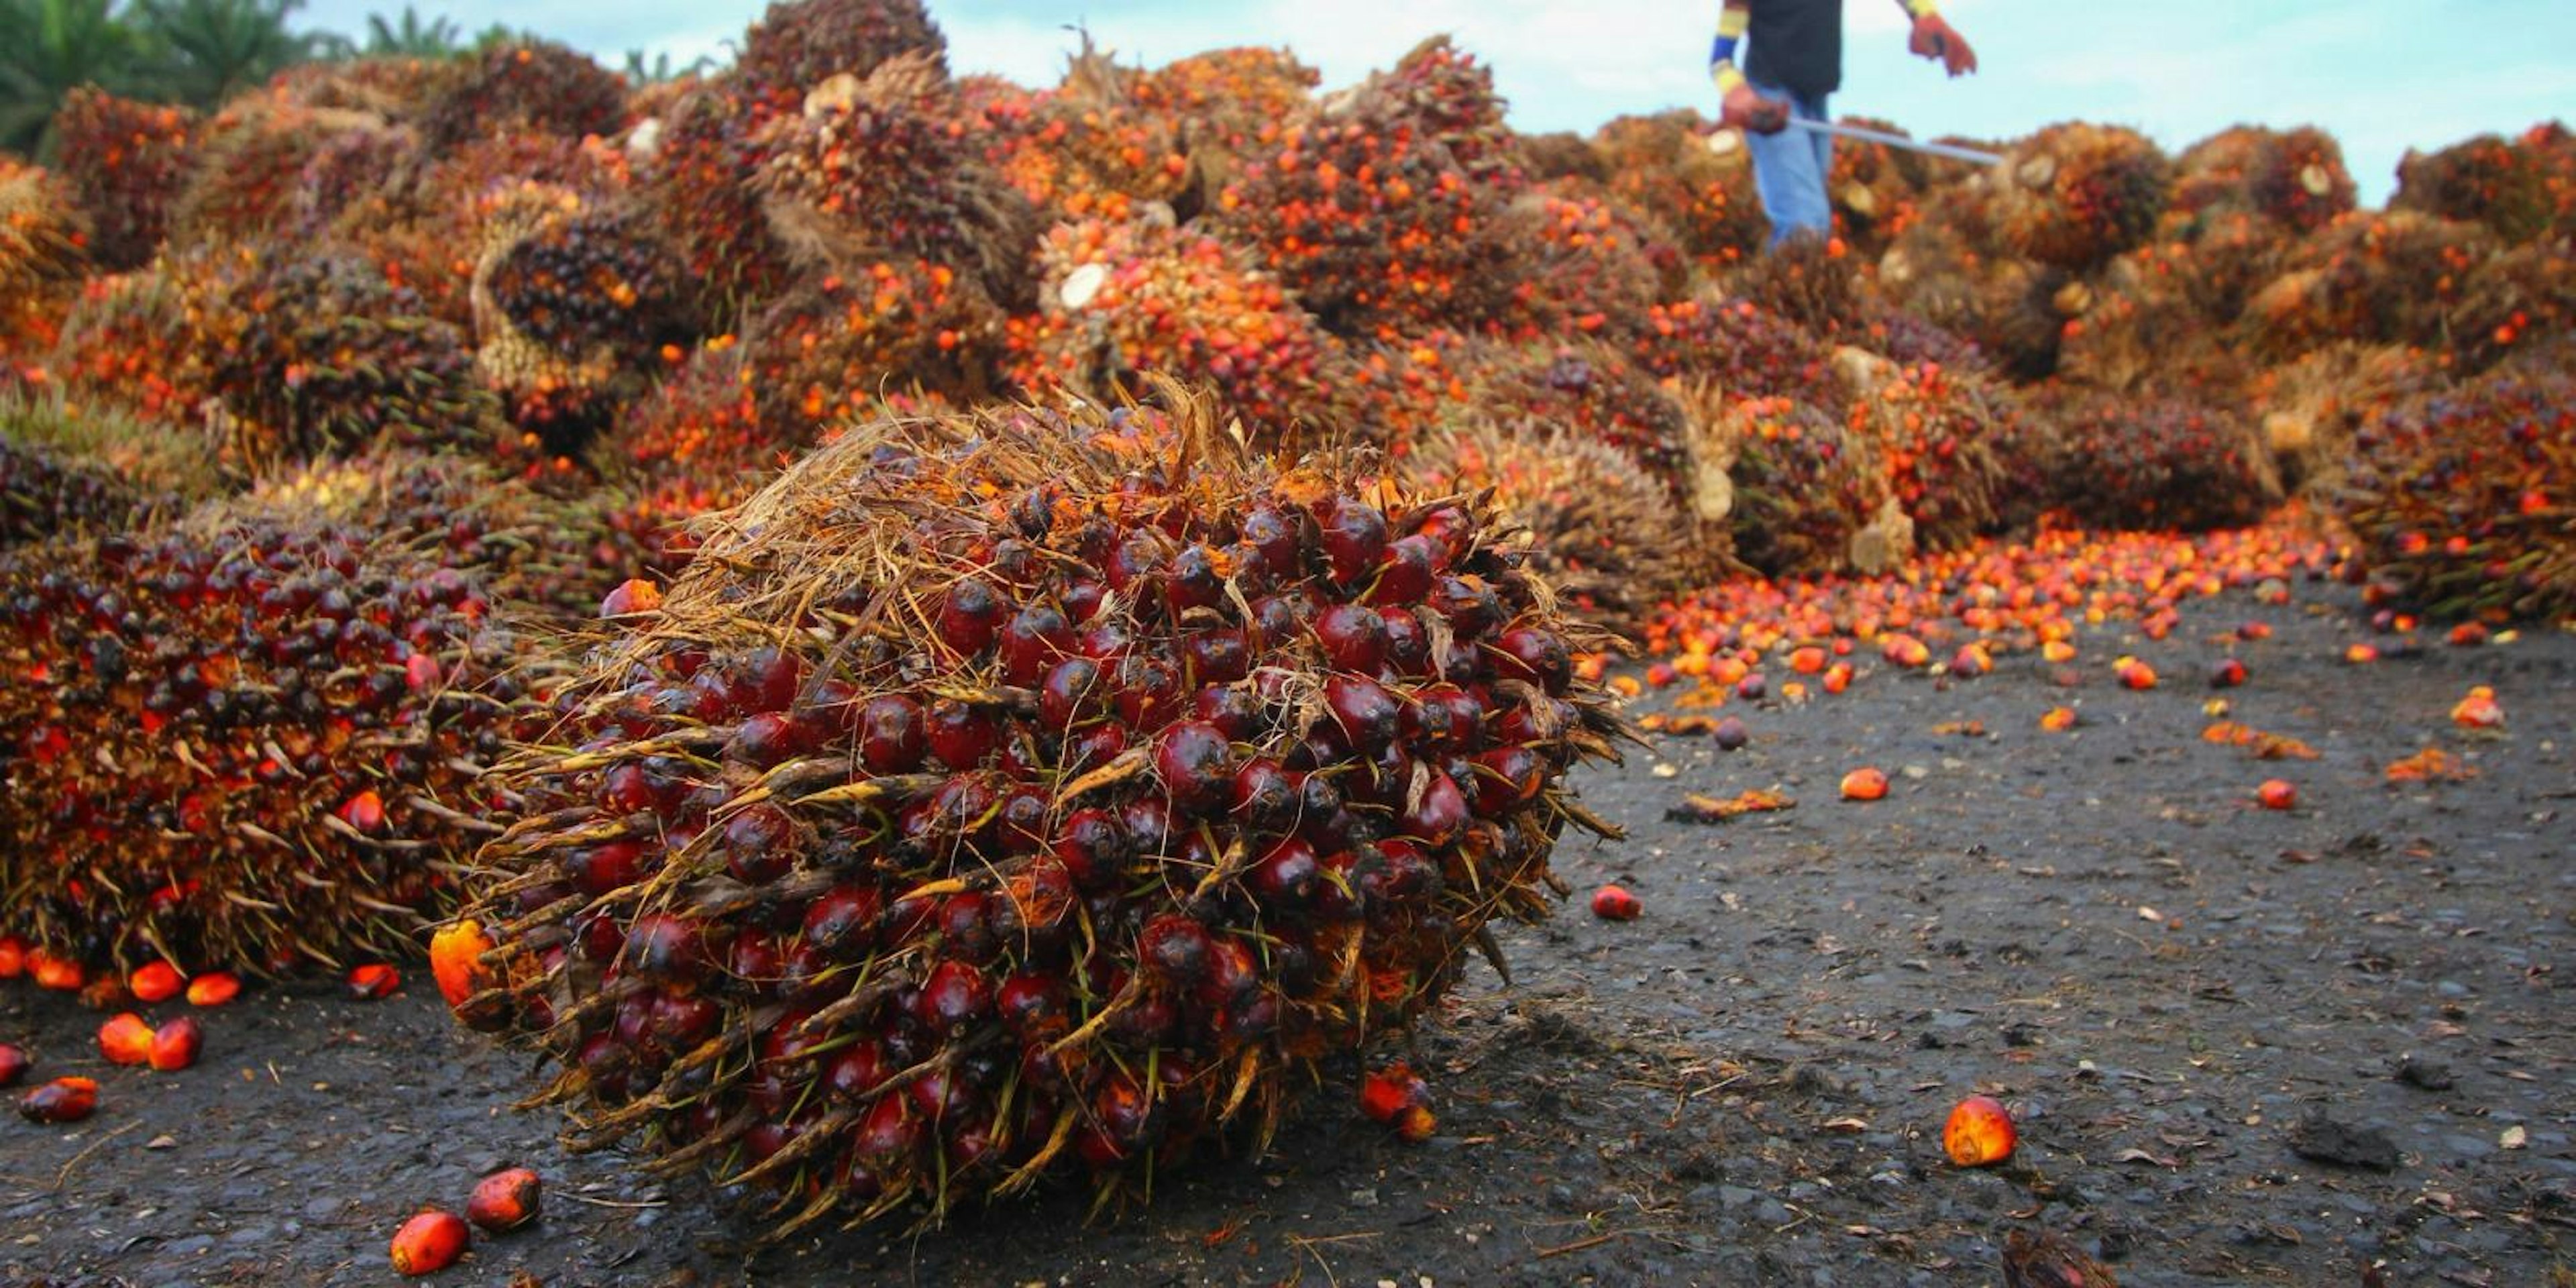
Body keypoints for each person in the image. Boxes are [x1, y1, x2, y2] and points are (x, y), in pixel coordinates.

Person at [1709, 0, 1979, 245]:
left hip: (1815, 99)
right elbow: (1720, 60)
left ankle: (1776, 293)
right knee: (1804, 223)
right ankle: (1768, 297)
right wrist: (1736, 92)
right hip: (1771, 104)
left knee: (1815, 221)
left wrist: (1926, 17)